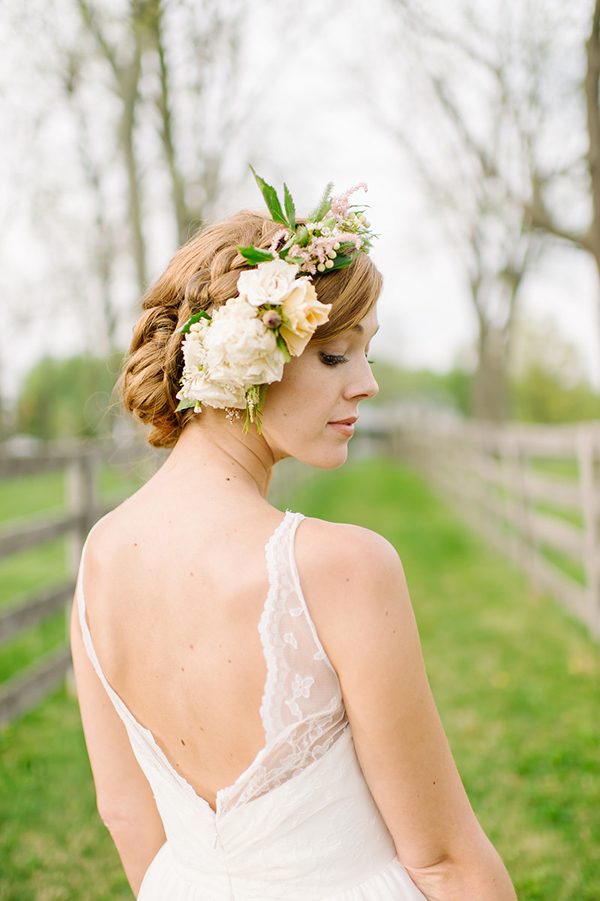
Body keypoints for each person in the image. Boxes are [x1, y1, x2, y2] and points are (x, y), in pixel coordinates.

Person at [71, 174, 518, 901]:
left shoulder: (97, 561)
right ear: (244, 359)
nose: (368, 383)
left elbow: (125, 815)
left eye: (366, 352)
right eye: (336, 354)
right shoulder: (342, 567)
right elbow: (442, 859)